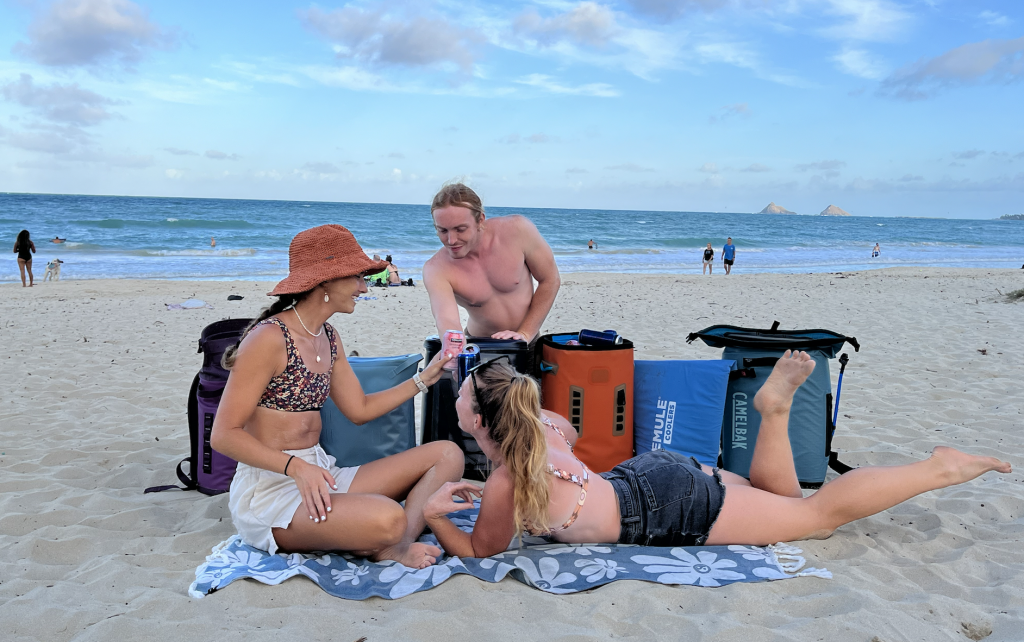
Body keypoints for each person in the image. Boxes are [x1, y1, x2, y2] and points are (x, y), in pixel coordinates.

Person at [422, 353, 1011, 558]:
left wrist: (433, 517)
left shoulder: (505, 481)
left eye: (466, 401)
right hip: (652, 472)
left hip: (665, 508)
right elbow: (562, 456)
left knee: (815, 519)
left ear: (477, 424)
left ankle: (938, 467)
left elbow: (479, 550)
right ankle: (774, 412)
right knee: (785, 500)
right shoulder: (546, 426)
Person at [210, 224, 464, 569]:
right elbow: (224, 435)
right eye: (356, 277)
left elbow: (359, 410)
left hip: (322, 473)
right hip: (273, 491)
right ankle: (387, 538)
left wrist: (424, 379)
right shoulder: (268, 339)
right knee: (389, 517)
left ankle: (394, 545)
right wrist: (295, 467)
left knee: (447, 455)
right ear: (325, 280)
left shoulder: (328, 336)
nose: (363, 286)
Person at [424, 182, 560, 343]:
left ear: (480, 219)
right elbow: (447, 320)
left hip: (527, 339)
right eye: (443, 231)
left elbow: (550, 280)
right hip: (479, 343)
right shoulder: (436, 269)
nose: (451, 240)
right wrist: (456, 347)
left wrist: (525, 334)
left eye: (460, 229)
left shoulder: (517, 231)